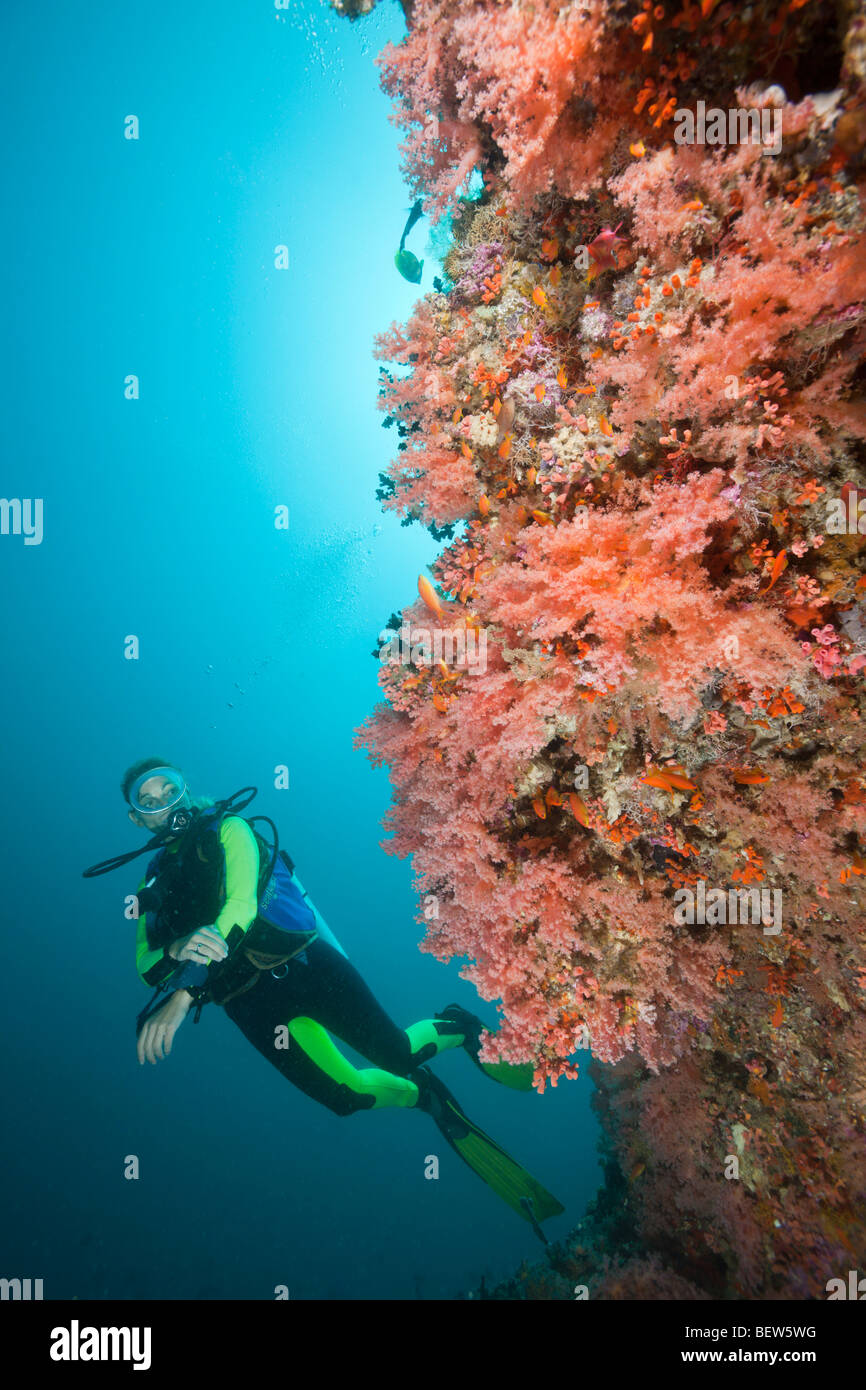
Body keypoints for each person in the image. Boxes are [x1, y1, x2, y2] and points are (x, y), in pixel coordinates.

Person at [105, 757, 564, 1237]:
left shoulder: (230, 830)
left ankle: (460, 1026)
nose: (164, 805)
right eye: (147, 801)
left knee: (395, 1053)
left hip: (305, 967)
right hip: (250, 1005)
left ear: (185, 788)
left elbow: (239, 909)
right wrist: (175, 949)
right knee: (345, 1098)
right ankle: (425, 1096)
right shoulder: (152, 882)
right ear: (138, 818)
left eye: (169, 790)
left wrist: (186, 989)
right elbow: (145, 965)